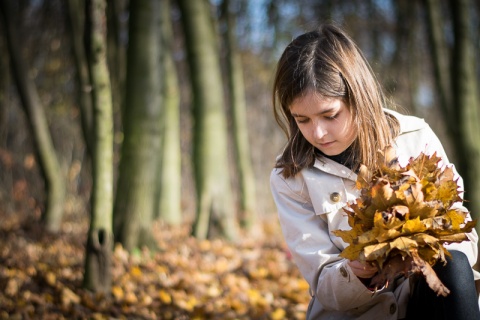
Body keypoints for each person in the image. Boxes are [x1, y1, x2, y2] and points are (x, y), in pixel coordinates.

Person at [269, 23, 480, 320]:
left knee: (454, 265)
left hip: (428, 301)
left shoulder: (415, 138)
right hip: (356, 314)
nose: (317, 132)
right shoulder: (290, 176)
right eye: (302, 120)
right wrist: (357, 272)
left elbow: (464, 237)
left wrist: (421, 251)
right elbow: (323, 283)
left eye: (330, 115)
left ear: (358, 97)